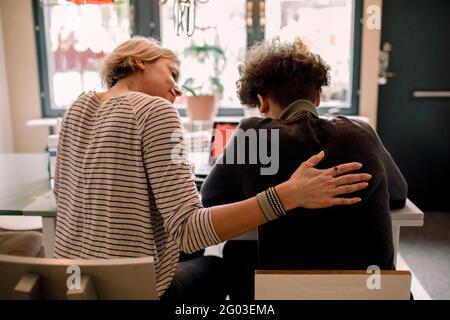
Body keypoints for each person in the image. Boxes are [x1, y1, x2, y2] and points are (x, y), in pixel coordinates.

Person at [53, 36, 372, 301]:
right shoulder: (156, 110)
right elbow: (190, 232)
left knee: (202, 257)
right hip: (135, 292)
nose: (177, 90)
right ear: (140, 60)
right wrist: (287, 195)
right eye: (172, 74)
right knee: (221, 266)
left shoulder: (76, 108)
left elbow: (64, 195)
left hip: (73, 286)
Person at [200, 38, 408, 300]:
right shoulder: (361, 131)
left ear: (262, 102)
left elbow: (210, 200)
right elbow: (399, 194)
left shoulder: (253, 134)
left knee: (236, 252)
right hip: (372, 295)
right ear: (318, 97)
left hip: (281, 295)